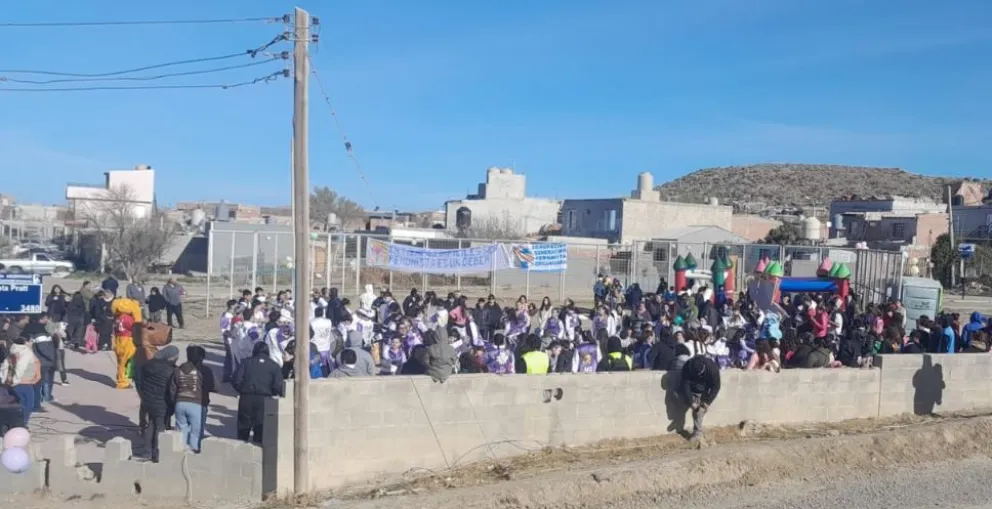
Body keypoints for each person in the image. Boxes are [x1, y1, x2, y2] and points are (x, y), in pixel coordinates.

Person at [232, 342, 285, 443]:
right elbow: (278, 385)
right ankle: (257, 449)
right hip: (265, 399)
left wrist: (242, 390)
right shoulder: (274, 366)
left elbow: (236, 380)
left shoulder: (246, 362)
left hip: (246, 397)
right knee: (260, 426)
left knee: (244, 424)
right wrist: (271, 393)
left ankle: (241, 446)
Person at [170, 345, 215, 453]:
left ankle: (180, 452)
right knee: (196, 431)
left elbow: (172, 388)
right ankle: (193, 454)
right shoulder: (204, 370)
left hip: (180, 403)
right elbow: (213, 386)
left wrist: (174, 401)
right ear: (201, 357)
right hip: (198, 403)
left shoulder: (178, 369)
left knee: (181, 430)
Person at [138, 345, 179, 462]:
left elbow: (140, 382)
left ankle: (146, 452)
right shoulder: (170, 371)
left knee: (151, 425)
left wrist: (144, 396)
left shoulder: (147, 365)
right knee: (159, 428)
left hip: (148, 401)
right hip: (162, 403)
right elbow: (171, 390)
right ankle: (156, 454)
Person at [0, 333, 41, 427]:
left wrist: (6, 380)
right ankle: (21, 424)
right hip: (23, 382)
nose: (32, 342)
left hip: (12, 382)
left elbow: (5, 366)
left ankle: (15, 423)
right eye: (31, 340)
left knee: (18, 404)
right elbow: (20, 368)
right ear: (25, 342)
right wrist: (16, 380)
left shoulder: (13, 350)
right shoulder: (26, 352)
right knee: (27, 404)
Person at [679, 354, 721, 443]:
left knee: (699, 412)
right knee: (694, 407)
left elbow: (716, 387)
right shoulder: (688, 366)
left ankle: (697, 433)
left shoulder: (712, 368)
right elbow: (685, 385)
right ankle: (697, 433)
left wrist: (707, 401)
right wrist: (691, 402)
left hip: (705, 389)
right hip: (691, 387)